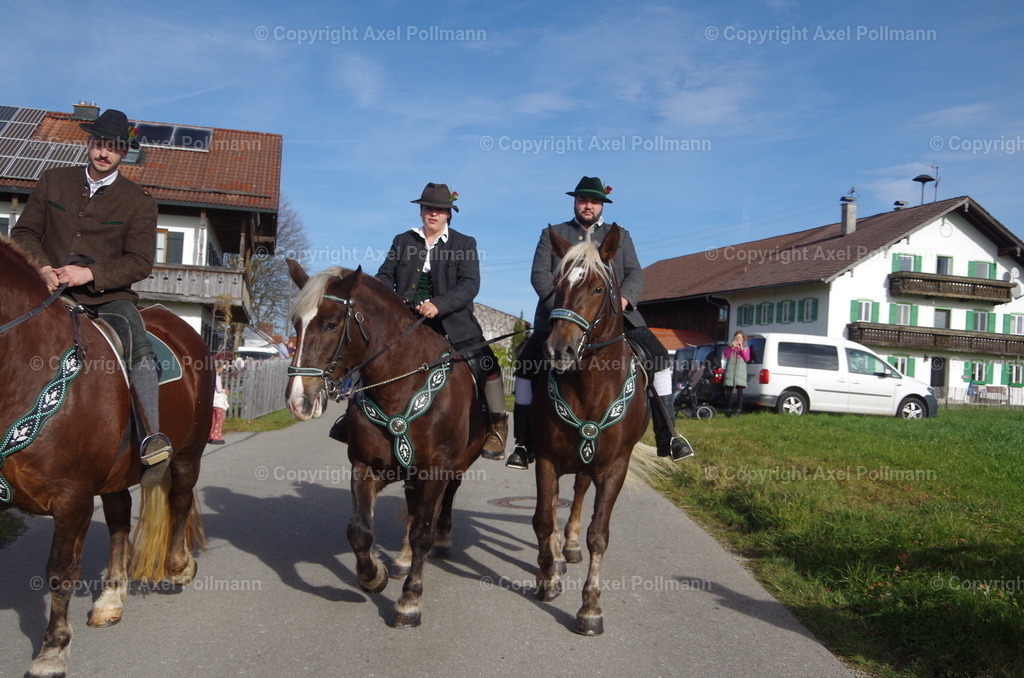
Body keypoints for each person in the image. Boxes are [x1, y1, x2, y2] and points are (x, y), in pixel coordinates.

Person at [11, 108, 172, 488]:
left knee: (139, 350)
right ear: (89, 142)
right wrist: (43, 268)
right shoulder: (53, 181)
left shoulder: (139, 201)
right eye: (100, 144)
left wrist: (91, 273)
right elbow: (25, 233)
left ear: (124, 152)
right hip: (47, 291)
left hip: (108, 299)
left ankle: (151, 439)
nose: (104, 153)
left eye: (114, 147)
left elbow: (139, 262)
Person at [505, 176, 693, 469]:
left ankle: (668, 435)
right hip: (562, 317)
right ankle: (523, 442)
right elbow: (539, 274)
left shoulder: (620, 236)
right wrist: (565, 308)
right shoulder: (554, 233)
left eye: (593, 201)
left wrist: (624, 299)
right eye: (583, 200)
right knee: (527, 363)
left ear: (602, 204)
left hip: (614, 318)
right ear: (575, 202)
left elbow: (635, 274)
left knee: (658, 357)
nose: (587, 205)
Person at [329, 183, 508, 458]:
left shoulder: (464, 243)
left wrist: (438, 304)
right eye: (428, 208)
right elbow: (385, 276)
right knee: (366, 355)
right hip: (404, 321)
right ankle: (350, 418)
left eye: (439, 210)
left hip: (452, 322)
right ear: (421, 211)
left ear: (449, 214)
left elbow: (470, 284)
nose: (432, 214)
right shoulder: (403, 240)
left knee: (486, 363)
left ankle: (496, 427)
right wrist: (392, 299)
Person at [723, 330, 751, 417]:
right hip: (731, 372)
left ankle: (738, 410)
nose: (738, 339)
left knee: (740, 392)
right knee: (729, 392)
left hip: (740, 373)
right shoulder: (731, 347)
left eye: (739, 337)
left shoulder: (746, 348)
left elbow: (747, 359)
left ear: (743, 338)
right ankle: (728, 410)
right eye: (736, 337)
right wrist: (732, 348)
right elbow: (726, 355)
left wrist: (741, 349)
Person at [209, 363, 229, 444]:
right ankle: (216, 436)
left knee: (213, 419)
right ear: (219, 368)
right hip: (218, 401)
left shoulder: (210, 377)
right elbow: (219, 389)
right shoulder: (217, 377)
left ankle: (209, 435)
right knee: (220, 418)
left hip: (212, 400)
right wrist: (225, 391)